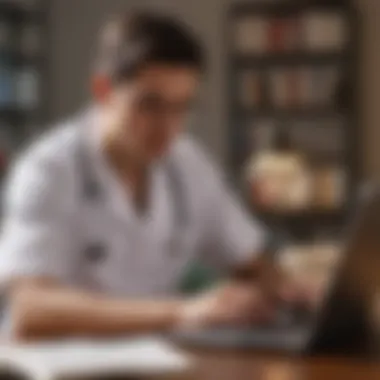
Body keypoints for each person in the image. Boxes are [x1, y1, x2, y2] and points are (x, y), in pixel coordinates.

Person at [0, 11, 308, 341]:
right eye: (150, 105)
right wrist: (184, 311)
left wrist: (292, 290)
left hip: (155, 359)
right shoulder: (48, 170)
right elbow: (30, 310)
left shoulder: (187, 163)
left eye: (182, 107)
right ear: (103, 90)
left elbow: (252, 262)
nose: (168, 127)